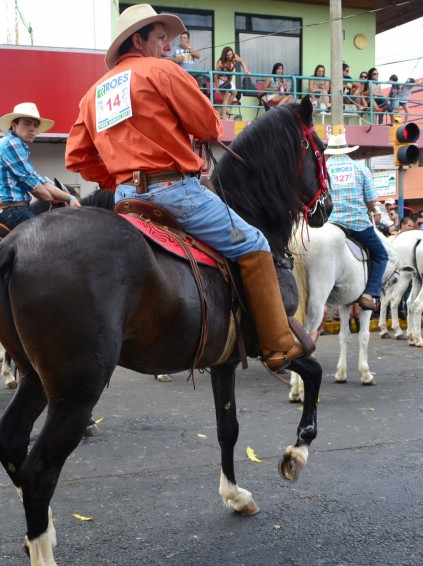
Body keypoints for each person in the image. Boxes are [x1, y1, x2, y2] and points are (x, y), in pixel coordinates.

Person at [65, 4, 311, 371]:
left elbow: (78, 158)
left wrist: (120, 176)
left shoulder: (94, 94)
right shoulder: (162, 71)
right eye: (161, 37)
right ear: (139, 39)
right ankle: (276, 345)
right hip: (174, 191)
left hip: (126, 200)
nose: (168, 46)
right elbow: (210, 128)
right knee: (255, 243)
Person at [0, 103, 79, 230]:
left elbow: (41, 182)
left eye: (36, 125)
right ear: (14, 125)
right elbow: (36, 189)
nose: (32, 129)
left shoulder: (11, 144)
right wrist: (56, 201)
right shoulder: (12, 144)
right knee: (49, 237)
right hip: (12, 211)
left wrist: (70, 198)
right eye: (27, 123)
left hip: (6, 210)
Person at [322, 133, 387, 311]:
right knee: (381, 255)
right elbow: (371, 200)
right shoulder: (360, 169)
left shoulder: (323, 169)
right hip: (358, 224)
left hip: (332, 224)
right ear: (346, 149)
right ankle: (369, 293)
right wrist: (371, 209)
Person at [213, 47, 248, 120]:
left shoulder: (234, 57)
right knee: (226, 97)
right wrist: (217, 86)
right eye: (227, 55)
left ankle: (225, 110)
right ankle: (224, 116)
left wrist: (246, 70)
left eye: (230, 54)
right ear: (224, 55)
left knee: (234, 92)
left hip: (229, 80)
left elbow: (242, 61)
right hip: (221, 81)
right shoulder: (220, 62)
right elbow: (215, 75)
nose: (229, 56)